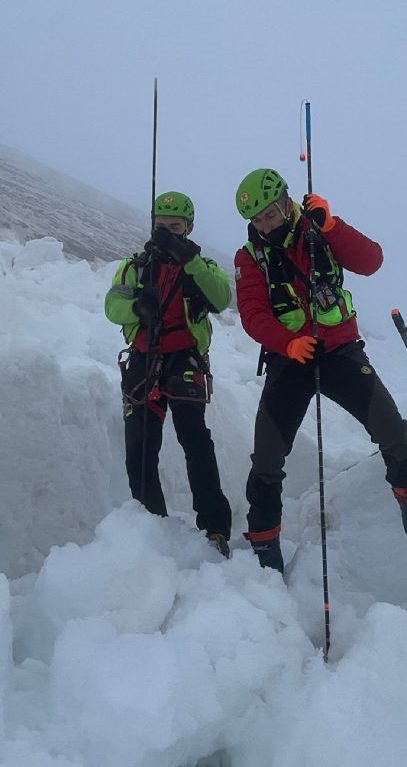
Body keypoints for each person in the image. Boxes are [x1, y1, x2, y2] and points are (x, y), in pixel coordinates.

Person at [233, 168, 407, 572]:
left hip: (340, 353)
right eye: (257, 220)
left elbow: (371, 261)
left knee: (395, 434)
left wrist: (332, 226)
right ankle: (265, 548)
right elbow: (251, 313)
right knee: (267, 458)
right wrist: (287, 342)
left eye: (270, 214)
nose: (265, 225)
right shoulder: (249, 257)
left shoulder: (320, 230)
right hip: (290, 359)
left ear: (286, 202)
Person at [105, 190, 233, 556]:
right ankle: (150, 523)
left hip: (185, 360)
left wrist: (188, 260)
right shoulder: (136, 266)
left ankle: (215, 528)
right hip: (144, 360)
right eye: (161, 227)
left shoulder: (201, 268)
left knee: (195, 441)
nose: (167, 233)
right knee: (140, 446)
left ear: (189, 229)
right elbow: (112, 305)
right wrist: (136, 307)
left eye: (175, 228)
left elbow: (222, 299)